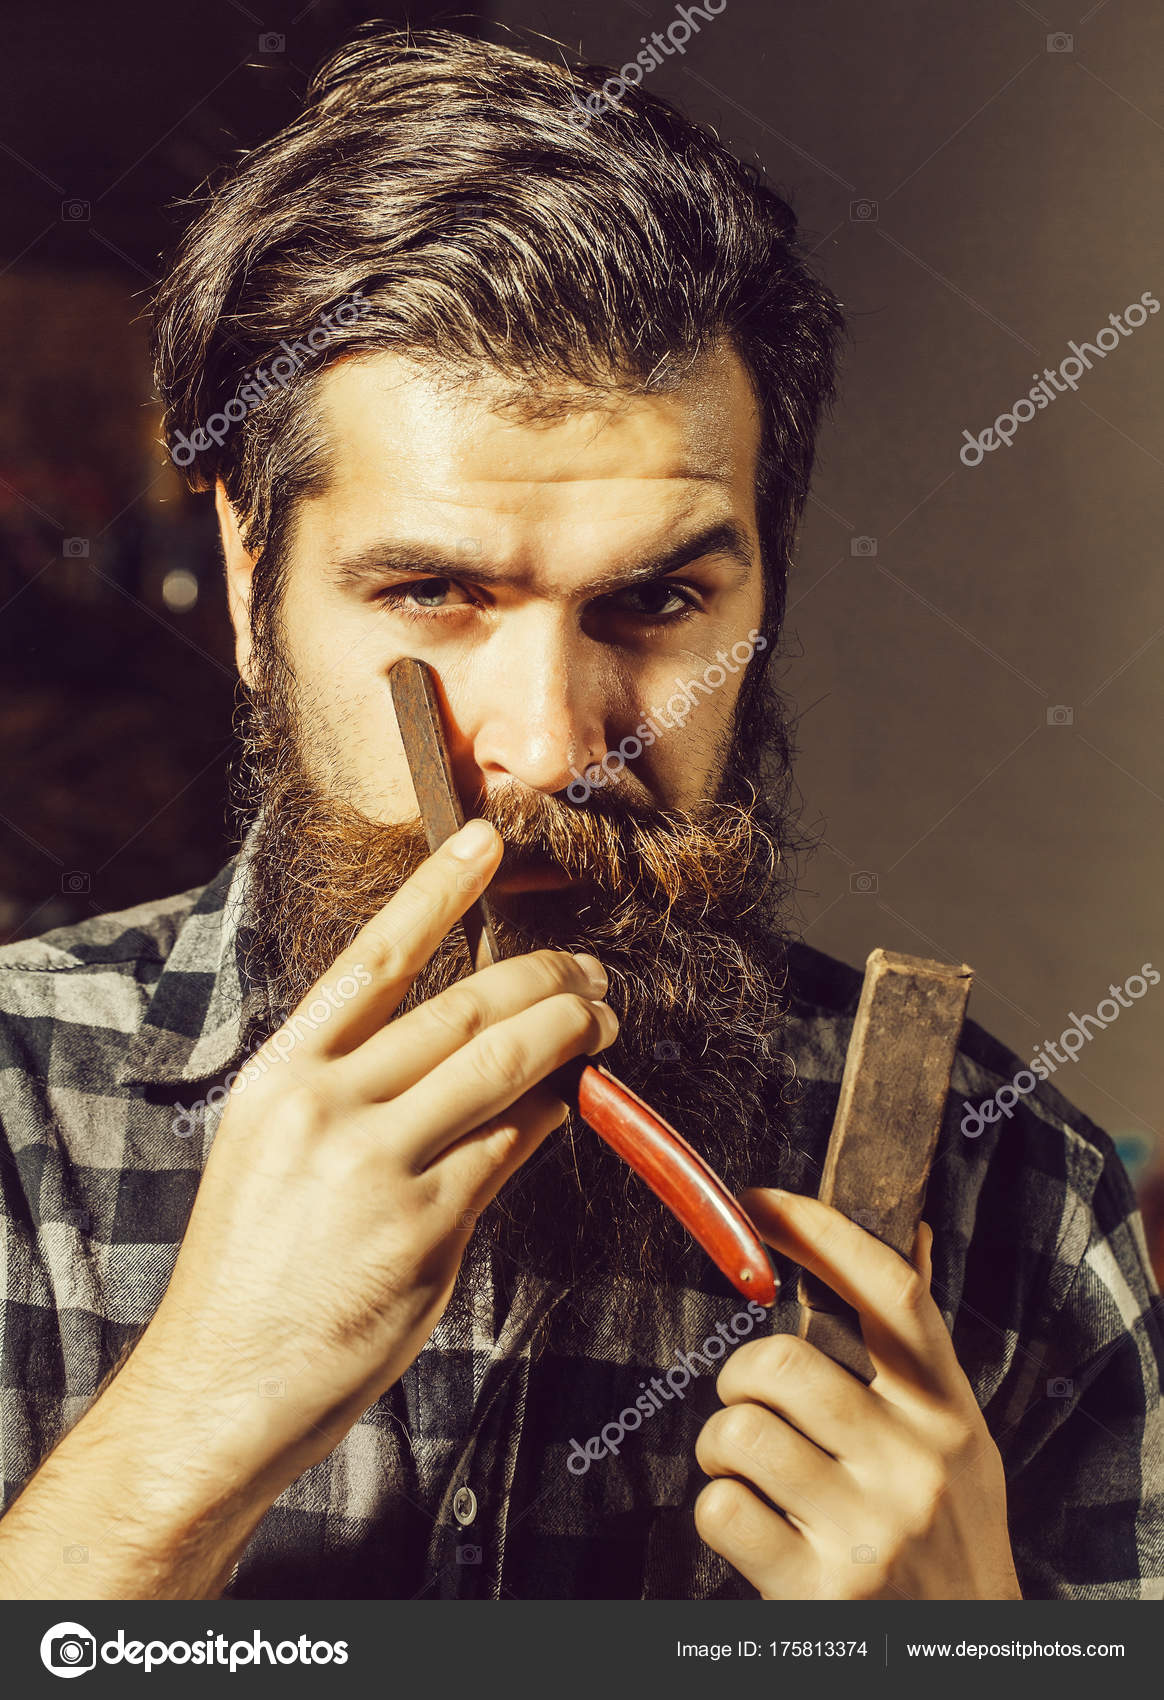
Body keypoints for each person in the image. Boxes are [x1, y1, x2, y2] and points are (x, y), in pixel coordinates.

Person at [0, 27, 1159, 1603]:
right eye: (429, 590)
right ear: (253, 573)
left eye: (662, 599)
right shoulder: (17, 1133)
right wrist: (182, 1440)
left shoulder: (1016, 1197)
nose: (552, 748)